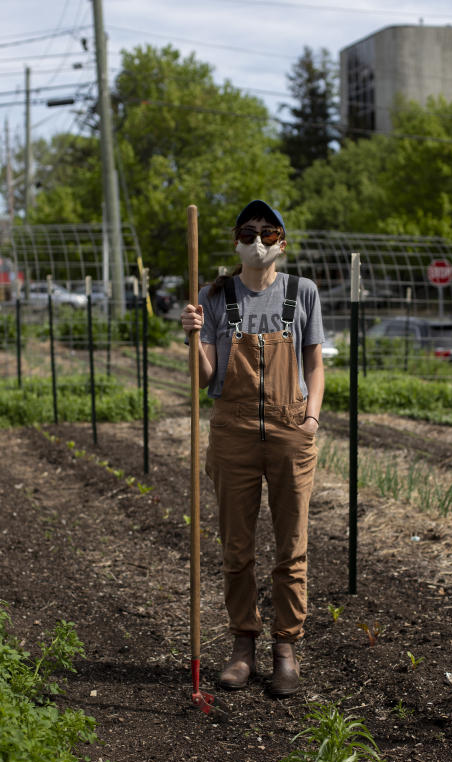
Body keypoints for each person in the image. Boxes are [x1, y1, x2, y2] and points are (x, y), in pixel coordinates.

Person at [181, 200, 325, 696]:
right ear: (235, 240)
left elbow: (314, 364)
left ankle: (285, 648)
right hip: (233, 432)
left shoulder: (301, 292)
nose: (258, 240)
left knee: (292, 547)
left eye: (268, 232)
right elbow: (203, 380)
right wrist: (195, 338)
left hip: (290, 431)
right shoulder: (215, 295)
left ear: (282, 240)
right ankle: (243, 645)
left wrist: (310, 418)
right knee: (236, 547)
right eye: (249, 231)